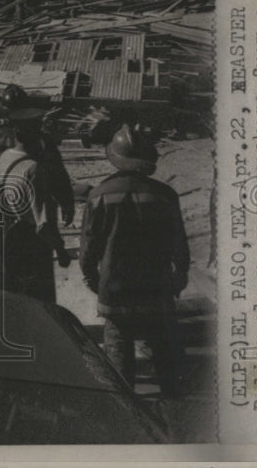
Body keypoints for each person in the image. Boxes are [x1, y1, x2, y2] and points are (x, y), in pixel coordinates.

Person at [79, 124, 190, 396]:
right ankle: (175, 409)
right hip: (156, 289)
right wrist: (177, 280)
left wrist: (94, 280)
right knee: (165, 353)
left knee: (118, 356)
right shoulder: (164, 196)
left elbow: (88, 249)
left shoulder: (99, 195)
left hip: (115, 290)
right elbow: (179, 245)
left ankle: (125, 411)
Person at [0, 108, 70, 303]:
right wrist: (60, 250)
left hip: (7, 237)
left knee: (12, 301)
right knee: (39, 306)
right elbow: (43, 225)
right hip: (31, 244)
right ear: (36, 137)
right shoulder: (33, 168)